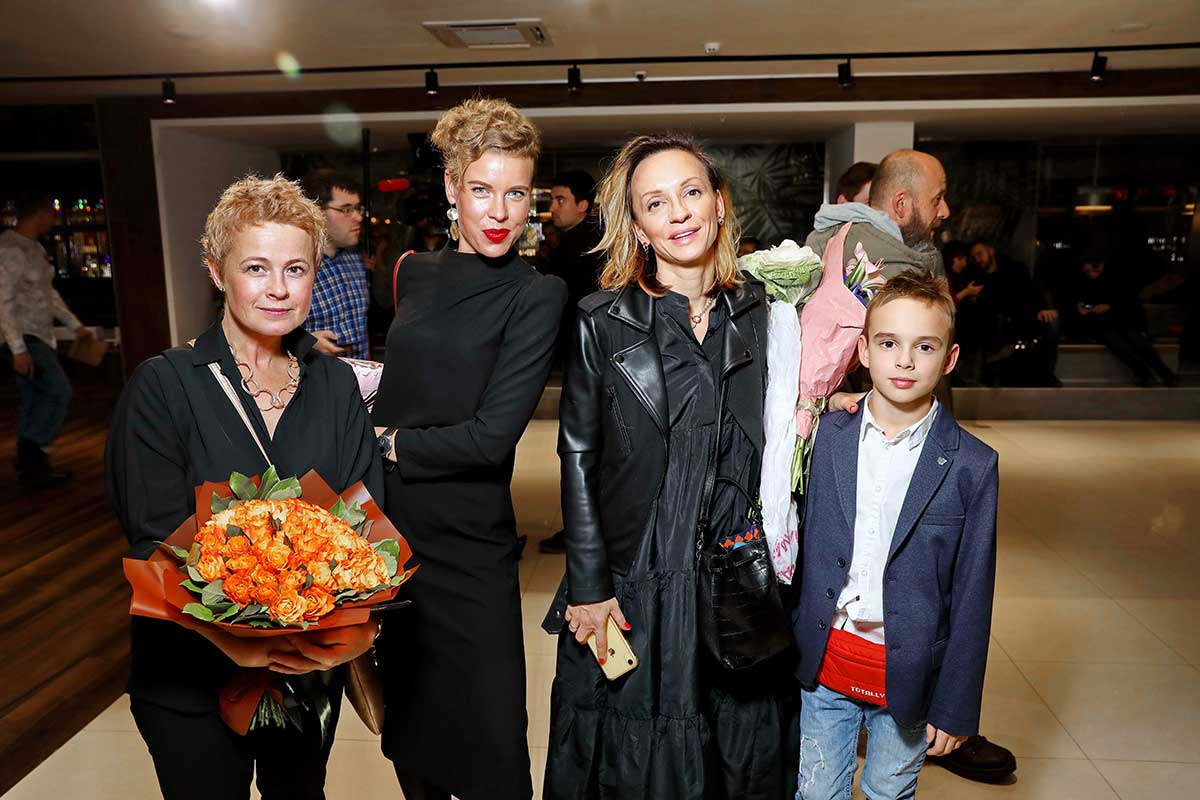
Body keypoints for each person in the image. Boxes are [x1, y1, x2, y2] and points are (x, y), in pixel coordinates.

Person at [106, 174, 383, 799]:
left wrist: (353, 631)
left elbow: (365, 528)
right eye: (256, 268)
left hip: (306, 672)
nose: (279, 289)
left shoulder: (336, 386)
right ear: (216, 271)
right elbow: (155, 541)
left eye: (296, 269)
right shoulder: (164, 386)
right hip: (189, 674)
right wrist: (233, 639)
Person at [543, 133, 797, 799]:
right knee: (626, 753)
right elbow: (578, 457)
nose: (679, 213)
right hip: (637, 570)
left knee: (736, 751)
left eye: (691, 193)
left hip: (735, 571)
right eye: (655, 203)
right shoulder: (602, 320)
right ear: (638, 226)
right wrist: (589, 586)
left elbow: (786, 424)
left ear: (719, 203)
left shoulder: (766, 314)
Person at [371, 97, 566, 800]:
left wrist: (387, 444)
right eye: (482, 190)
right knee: (410, 730)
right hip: (389, 536)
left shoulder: (536, 295)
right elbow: (408, 382)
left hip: (470, 544)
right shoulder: (413, 272)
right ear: (452, 187)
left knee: (493, 748)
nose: (500, 212)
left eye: (517, 193)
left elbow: (489, 438)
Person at [793, 271, 999, 799]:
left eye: (924, 346)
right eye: (888, 343)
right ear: (863, 350)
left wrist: (956, 707)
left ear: (949, 358)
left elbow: (974, 595)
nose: (904, 361)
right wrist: (816, 402)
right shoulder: (823, 436)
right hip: (825, 662)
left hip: (910, 676)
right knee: (816, 791)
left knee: (890, 790)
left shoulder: (973, 465)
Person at [0, 191, 95, 487]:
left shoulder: (35, 250)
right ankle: (34, 453)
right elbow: (2, 302)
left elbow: (48, 295)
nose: (54, 219)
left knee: (33, 398)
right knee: (58, 391)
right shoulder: (10, 250)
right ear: (39, 214)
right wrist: (17, 349)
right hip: (24, 339)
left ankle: (31, 468)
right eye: (51, 214)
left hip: (38, 337)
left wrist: (75, 325)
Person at [539, 170, 604, 555]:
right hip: (585, 357)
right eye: (552, 199)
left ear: (583, 205)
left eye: (561, 199)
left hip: (586, 360)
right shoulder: (579, 241)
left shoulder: (581, 246)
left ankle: (581, 532)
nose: (554, 207)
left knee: (581, 448)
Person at [806, 150, 948, 278]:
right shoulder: (899, 276)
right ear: (901, 204)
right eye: (937, 199)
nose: (945, 212)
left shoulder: (818, 250)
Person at [1073, 255, 1178, 387]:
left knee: (1138, 341)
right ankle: (1144, 374)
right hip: (1100, 323)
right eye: (1087, 271)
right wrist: (1085, 308)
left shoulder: (1117, 278)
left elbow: (1128, 303)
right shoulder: (1083, 281)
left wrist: (1109, 306)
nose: (1090, 273)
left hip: (1121, 319)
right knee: (1118, 343)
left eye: (1093, 270)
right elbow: (1081, 303)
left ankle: (1165, 374)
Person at [971, 240, 1061, 386]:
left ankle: (1048, 374)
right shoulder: (978, 279)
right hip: (999, 321)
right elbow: (985, 306)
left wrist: (1042, 309)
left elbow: (1031, 291)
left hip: (1024, 315)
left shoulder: (1015, 269)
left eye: (979, 254)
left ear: (990, 251)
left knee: (1051, 321)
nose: (977, 259)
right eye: (974, 257)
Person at [301, 172, 371, 359]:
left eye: (357, 208)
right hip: (313, 375)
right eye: (346, 209)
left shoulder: (354, 259)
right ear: (316, 213)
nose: (358, 217)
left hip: (358, 373)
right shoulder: (295, 267)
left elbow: (361, 328)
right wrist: (303, 344)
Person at [944, 240, 987, 385]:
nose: (963, 263)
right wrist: (967, 292)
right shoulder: (945, 276)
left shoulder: (961, 276)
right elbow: (948, 303)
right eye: (960, 259)